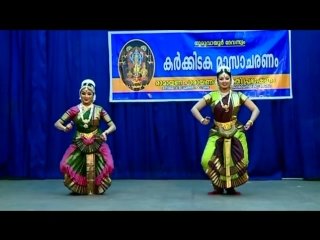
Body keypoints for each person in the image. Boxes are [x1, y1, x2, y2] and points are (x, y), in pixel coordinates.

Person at [191, 66, 260, 195]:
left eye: (227, 78)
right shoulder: (212, 96)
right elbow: (194, 108)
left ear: (231, 80)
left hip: (236, 131)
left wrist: (250, 121)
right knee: (206, 160)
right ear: (217, 81)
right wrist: (202, 120)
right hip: (217, 131)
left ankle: (230, 187)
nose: (224, 81)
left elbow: (256, 109)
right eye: (221, 78)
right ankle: (217, 185)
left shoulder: (238, 96)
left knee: (241, 161)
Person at [54, 79, 116, 195]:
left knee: (109, 164)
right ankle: (80, 188)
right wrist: (65, 128)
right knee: (64, 164)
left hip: (97, 140)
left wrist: (105, 133)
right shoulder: (74, 110)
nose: (86, 96)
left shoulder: (99, 110)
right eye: (83, 93)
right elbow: (57, 123)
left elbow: (113, 126)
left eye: (89, 93)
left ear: (93, 95)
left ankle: (97, 186)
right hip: (79, 141)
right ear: (80, 95)